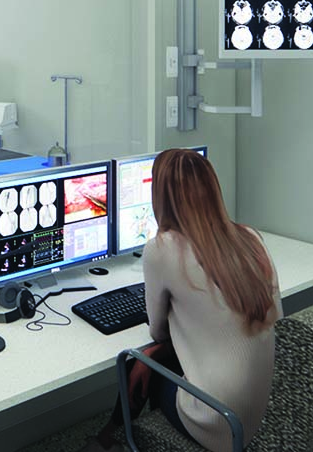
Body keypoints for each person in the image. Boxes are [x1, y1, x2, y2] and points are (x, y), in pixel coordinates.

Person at [84, 149, 281, 452]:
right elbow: (276, 314)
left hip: (218, 422)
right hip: (255, 412)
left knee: (139, 361)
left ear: (161, 197)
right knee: (153, 358)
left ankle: (119, 439)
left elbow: (158, 332)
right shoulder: (251, 239)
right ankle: (111, 436)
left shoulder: (163, 248)